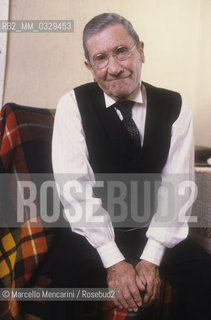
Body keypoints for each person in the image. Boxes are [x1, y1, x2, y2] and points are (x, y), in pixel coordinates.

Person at [52, 13, 211, 320]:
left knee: (206, 280)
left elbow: (177, 191)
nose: (114, 68)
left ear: (141, 50)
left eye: (122, 51)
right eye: (100, 58)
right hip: (92, 232)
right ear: (89, 66)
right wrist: (114, 260)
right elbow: (76, 191)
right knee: (66, 283)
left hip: (154, 229)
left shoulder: (176, 106)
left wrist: (151, 257)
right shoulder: (72, 105)